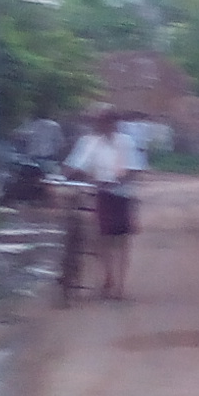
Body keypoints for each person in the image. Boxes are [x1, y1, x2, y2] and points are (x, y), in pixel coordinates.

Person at [65, 105, 137, 299]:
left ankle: (120, 285)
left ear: (114, 123)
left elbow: (132, 170)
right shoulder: (88, 142)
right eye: (100, 121)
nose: (103, 125)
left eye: (107, 121)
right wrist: (74, 174)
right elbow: (73, 167)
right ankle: (108, 277)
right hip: (100, 194)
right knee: (101, 237)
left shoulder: (125, 142)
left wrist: (115, 180)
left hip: (121, 194)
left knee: (121, 240)